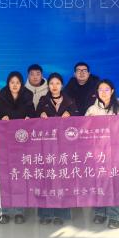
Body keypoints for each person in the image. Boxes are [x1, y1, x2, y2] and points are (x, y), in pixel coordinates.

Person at [85, 79, 119, 229]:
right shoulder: (92, 110)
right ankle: (99, 212)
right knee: (98, 183)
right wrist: (88, 122)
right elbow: (84, 131)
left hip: (115, 153)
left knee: (115, 183)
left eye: (106, 89)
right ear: (97, 92)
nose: (103, 92)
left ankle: (114, 216)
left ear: (112, 91)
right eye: (100, 90)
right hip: (97, 153)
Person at [0, 71, 36, 225]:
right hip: (5, 142)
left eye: (17, 82)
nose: (15, 85)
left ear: (21, 84)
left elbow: (33, 115)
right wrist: (1, 118)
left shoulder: (27, 95)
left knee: (20, 176)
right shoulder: (2, 95)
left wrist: (30, 118)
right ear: (8, 84)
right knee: (5, 176)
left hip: (23, 143)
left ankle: (19, 211)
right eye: (12, 82)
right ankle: (4, 211)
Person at [36, 72, 76, 225]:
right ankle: (45, 214)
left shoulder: (70, 101)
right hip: (46, 146)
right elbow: (33, 118)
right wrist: (40, 114)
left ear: (62, 85)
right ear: (48, 85)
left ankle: (61, 214)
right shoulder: (43, 100)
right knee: (46, 178)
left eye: (57, 83)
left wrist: (70, 113)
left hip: (65, 147)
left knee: (62, 179)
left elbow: (79, 119)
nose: (54, 86)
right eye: (51, 83)